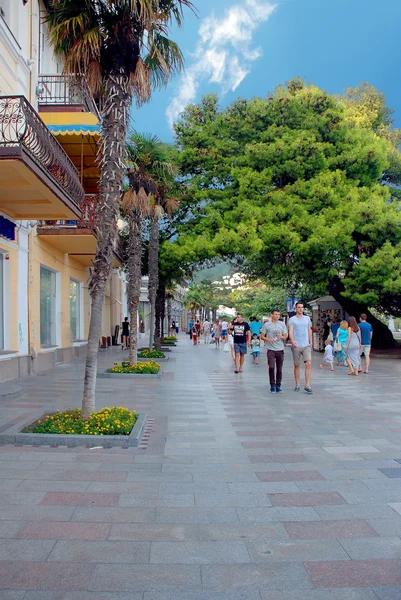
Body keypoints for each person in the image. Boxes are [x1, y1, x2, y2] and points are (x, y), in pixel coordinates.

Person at [260, 308, 288, 393]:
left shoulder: (282, 324)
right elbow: (262, 336)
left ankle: (278, 385)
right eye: (275, 314)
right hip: (271, 349)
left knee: (279, 369)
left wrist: (281, 337)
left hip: (280, 349)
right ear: (272, 315)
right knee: (271, 367)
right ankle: (272, 384)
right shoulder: (267, 325)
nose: (277, 316)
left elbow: (285, 335)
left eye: (278, 315)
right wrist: (268, 339)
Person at [288, 301, 313, 394]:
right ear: (295, 308)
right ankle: (297, 384)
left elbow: (309, 331)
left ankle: (307, 384)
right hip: (296, 345)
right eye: (299, 307)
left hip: (305, 344)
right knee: (297, 365)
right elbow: (290, 331)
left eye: (302, 307)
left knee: (308, 363)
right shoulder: (292, 319)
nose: (300, 309)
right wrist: (292, 341)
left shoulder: (307, 318)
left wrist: (311, 342)